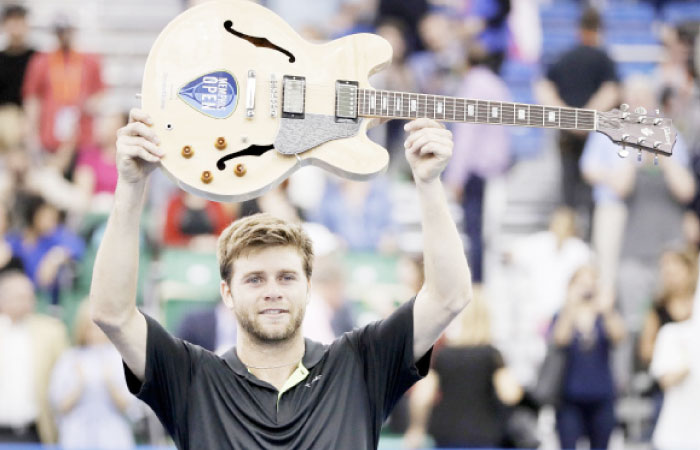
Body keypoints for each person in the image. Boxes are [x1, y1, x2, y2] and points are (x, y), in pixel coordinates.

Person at [90, 109, 470, 448]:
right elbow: (112, 313)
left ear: (308, 288)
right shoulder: (192, 379)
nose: (272, 291)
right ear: (227, 292)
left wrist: (429, 183)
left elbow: (448, 297)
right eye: (254, 279)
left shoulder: (360, 366)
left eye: (287, 277)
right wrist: (131, 186)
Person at [404, 288, 523, 448]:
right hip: (484, 435)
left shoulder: (443, 355)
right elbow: (510, 394)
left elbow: (422, 396)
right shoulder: (491, 355)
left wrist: (416, 429)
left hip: (446, 435)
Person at [536, 7, 619, 235]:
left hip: (567, 134)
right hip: (595, 136)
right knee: (592, 196)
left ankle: (567, 243)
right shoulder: (604, 58)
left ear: (579, 29)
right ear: (598, 30)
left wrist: (570, 119)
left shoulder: (563, 57)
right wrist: (585, 120)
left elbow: (544, 89)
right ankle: (586, 249)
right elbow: (611, 91)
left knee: (567, 195)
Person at [551, 265, 626, 450]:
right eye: (581, 283)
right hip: (569, 396)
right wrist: (571, 306)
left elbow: (620, 336)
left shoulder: (604, 315)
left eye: (590, 283)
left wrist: (607, 308)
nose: (587, 288)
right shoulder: (562, 314)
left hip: (602, 394)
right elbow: (559, 339)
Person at [49, 301, 135, 449]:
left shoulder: (121, 359)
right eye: (91, 327)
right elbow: (59, 406)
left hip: (113, 437)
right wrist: (79, 385)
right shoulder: (69, 359)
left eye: (101, 328)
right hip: (76, 437)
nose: (97, 333)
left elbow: (128, 406)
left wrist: (110, 383)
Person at [0, 270, 68, 444]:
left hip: (36, 431)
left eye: (30, 296)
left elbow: (64, 378)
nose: (29, 301)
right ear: (3, 299)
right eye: (21, 297)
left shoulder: (51, 331)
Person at [0, 4, 34, 155]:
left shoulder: (37, 58)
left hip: (32, 118)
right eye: (12, 21)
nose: (16, 27)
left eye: (20, 21)